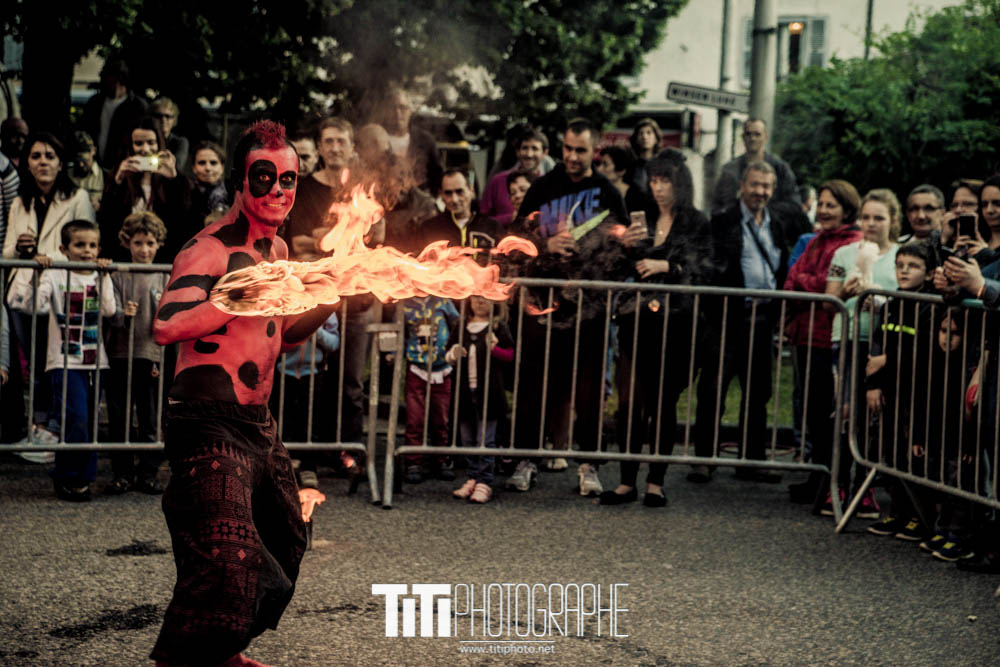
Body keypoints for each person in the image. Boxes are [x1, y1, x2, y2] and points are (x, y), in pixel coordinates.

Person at [150, 120, 336, 667]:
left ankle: (222, 648)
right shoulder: (207, 251)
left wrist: (329, 294)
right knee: (227, 555)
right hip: (206, 422)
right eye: (265, 177)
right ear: (239, 181)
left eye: (288, 179)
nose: (279, 191)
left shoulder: (277, 248)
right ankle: (180, 660)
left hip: (257, 425)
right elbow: (167, 325)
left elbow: (284, 331)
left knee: (284, 538)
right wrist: (242, 294)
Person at [509, 117, 628, 496]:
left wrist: (611, 251)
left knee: (590, 388)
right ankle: (525, 460)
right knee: (531, 383)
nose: (572, 157)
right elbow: (514, 238)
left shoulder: (607, 193)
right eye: (567, 149)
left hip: (589, 310)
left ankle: (589, 465)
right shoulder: (543, 188)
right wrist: (546, 247)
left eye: (580, 150)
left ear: (595, 150)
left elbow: (623, 250)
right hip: (542, 304)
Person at [600, 151, 713, 507]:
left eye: (666, 180)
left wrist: (666, 264)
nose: (659, 188)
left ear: (680, 182)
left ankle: (656, 481)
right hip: (637, 320)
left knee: (664, 401)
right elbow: (620, 264)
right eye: (654, 180)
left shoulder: (695, 221)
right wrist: (628, 246)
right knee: (631, 402)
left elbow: (704, 266)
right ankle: (626, 480)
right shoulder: (641, 217)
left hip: (677, 323)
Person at [282, 117, 384, 459]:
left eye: (342, 140)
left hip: (356, 298)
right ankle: (314, 452)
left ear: (352, 146)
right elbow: (299, 240)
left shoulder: (362, 187)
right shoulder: (306, 187)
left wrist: (328, 241)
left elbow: (379, 237)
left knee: (352, 382)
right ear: (320, 146)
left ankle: (349, 452)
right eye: (328, 141)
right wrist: (349, 240)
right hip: (317, 297)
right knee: (313, 379)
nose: (335, 147)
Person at [691, 161, 787, 483]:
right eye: (755, 184)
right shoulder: (722, 222)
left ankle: (752, 459)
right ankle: (704, 458)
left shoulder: (777, 225)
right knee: (713, 389)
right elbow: (708, 269)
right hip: (727, 319)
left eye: (766, 186)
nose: (760, 192)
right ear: (742, 186)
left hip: (762, 319)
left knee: (758, 393)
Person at [7, 220, 115, 501]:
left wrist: (104, 277)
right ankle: (67, 475)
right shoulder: (56, 275)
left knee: (89, 421)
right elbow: (34, 306)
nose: (87, 251)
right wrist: (39, 274)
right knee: (75, 418)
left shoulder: (99, 275)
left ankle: (84, 479)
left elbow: (109, 309)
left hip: (95, 361)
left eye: (92, 245)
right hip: (64, 361)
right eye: (80, 245)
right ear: (63, 248)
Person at [3, 132, 96, 436]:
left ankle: (57, 425)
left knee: (55, 361)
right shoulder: (20, 201)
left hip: (61, 290)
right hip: (25, 291)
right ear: (27, 163)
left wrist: (45, 255)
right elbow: (6, 252)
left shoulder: (77, 197)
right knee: (32, 361)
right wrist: (20, 248)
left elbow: (85, 241)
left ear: (60, 163)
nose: (42, 162)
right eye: (36, 156)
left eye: (49, 156)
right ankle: (39, 425)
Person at [782, 180, 862, 501]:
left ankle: (833, 480)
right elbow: (791, 279)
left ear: (846, 209)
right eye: (822, 205)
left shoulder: (852, 244)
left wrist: (808, 284)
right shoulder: (815, 241)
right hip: (804, 335)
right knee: (812, 412)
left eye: (832, 205)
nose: (825, 211)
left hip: (829, 338)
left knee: (829, 413)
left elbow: (828, 288)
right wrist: (811, 284)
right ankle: (818, 475)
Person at [823, 188, 902, 515]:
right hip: (849, 338)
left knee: (875, 418)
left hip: (885, 344)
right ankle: (837, 484)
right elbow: (829, 302)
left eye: (879, 218)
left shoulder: (901, 255)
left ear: (892, 221)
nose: (871, 224)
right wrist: (846, 291)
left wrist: (882, 300)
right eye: (866, 217)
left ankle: (865, 487)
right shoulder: (844, 254)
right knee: (845, 412)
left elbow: (908, 298)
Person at [864, 242, 941, 538]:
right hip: (890, 392)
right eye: (900, 265)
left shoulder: (929, 305)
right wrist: (873, 385)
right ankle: (897, 511)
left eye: (913, 266)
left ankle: (918, 516)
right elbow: (875, 348)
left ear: (929, 273)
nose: (905, 271)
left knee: (915, 456)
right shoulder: (892, 304)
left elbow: (925, 351)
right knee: (891, 452)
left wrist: (888, 360)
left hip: (916, 393)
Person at [104, 211, 169, 496]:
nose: (144, 249)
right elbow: (111, 312)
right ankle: (122, 473)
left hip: (151, 353)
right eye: (138, 243)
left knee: (149, 416)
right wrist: (122, 314)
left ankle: (148, 472)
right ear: (128, 243)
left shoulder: (165, 274)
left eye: (150, 243)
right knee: (119, 416)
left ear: (158, 245)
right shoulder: (118, 274)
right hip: (119, 352)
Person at [447, 296, 514, 503]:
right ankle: (473, 476)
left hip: (489, 393)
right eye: (476, 298)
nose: (480, 302)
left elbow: (510, 355)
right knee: (467, 438)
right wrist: (454, 353)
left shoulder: (497, 327)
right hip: (465, 392)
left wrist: (495, 349)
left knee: (485, 439)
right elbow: (448, 353)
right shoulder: (461, 326)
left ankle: (485, 480)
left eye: (485, 298)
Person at [98, 115, 192, 263]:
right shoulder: (118, 176)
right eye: (139, 143)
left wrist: (174, 180)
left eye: (151, 143)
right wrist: (117, 182)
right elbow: (107, 223)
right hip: (124, 259)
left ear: (159, 144)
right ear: (130, 146)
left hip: (163, 260)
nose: (145, 149)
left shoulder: (174, 180)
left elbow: (182, 223)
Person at [270, 310, 340, 489]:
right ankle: (285, 463)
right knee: (283, 418)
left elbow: (334, 342)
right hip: (284, 371)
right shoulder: (290, 304)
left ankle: (309, 466)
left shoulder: (327, 310)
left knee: (310, 420)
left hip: (313, 372)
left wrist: (313, 325)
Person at [400, 294, 460, 483]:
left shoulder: (443, 301)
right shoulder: (404, 304)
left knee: (440, 417)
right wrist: (395, 353)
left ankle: (440, 459)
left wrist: (455, 347)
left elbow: (457, 323)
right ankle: (413, 461)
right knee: (414, 418)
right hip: (416, 366)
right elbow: (398, 331)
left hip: (441, 367)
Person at [711, 118, 800, 216]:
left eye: (757, 134)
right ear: (743, 137)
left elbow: (794, 205)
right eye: (748, 134)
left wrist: (762, 208)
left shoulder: (781, 169)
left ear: (766, 137)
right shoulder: (730, 170)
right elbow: (718, 206)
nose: (752, 138)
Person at [81, 59, 148, 167]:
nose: (105, 81)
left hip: (123, 163)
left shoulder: (137, 106)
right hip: (95, 163)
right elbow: (85, 131)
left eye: (109, 77)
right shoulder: (95, 103)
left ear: (120, 78)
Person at [417, 169, 504, 251]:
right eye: (448, 193)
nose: (454, 199)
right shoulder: (429, 229)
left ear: (471, 191)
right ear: (442, 195)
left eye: (459, 192)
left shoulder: (492, 227)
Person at [378, 87, 443, 196]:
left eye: (402, 108)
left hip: (420, 204)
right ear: (385, 111)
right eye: (392, 108)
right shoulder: (376, 139)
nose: (397, 113)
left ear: (410, 111)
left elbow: (437, 176)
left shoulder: (425, 141)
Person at [479, 128, 548, 225]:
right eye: (525, 148)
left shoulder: (549, 185)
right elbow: (481, 220)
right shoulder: (498, 181)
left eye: (534, 148)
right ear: (517, 152)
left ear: (545, 153)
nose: (529, 154)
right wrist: (510, 218)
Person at [189, 140, 232, 222]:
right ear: (194, 168)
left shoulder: (236, 192)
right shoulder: (185, 193)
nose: (208, 168)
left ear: (222, 167)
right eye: (202, 163)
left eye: (213, 163)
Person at [596, 145, 646, 213]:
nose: (599, 169)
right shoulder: (598, 193)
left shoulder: (638, 198)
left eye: (605, 165)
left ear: (621, 170)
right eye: (599, 164)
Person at [150, 97, 190, 173]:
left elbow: (177, 166)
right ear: (152, 118)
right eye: (159, 116)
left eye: (168, 116)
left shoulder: (180, 142)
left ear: (174, 120)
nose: (163, 120)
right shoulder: (145, 140)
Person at [67, 131, 104, 212]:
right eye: (77, 161)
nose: (80, 165)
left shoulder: (106, 177)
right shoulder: (67, 175)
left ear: (93, 151)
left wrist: (101, 207)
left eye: (84, 160)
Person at [629, 117, 661, 195]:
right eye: (641, 133)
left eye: (649, 133)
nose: (644, 137)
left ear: (656, 138)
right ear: (636, 138)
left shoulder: (662, 165)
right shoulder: (630, 166)